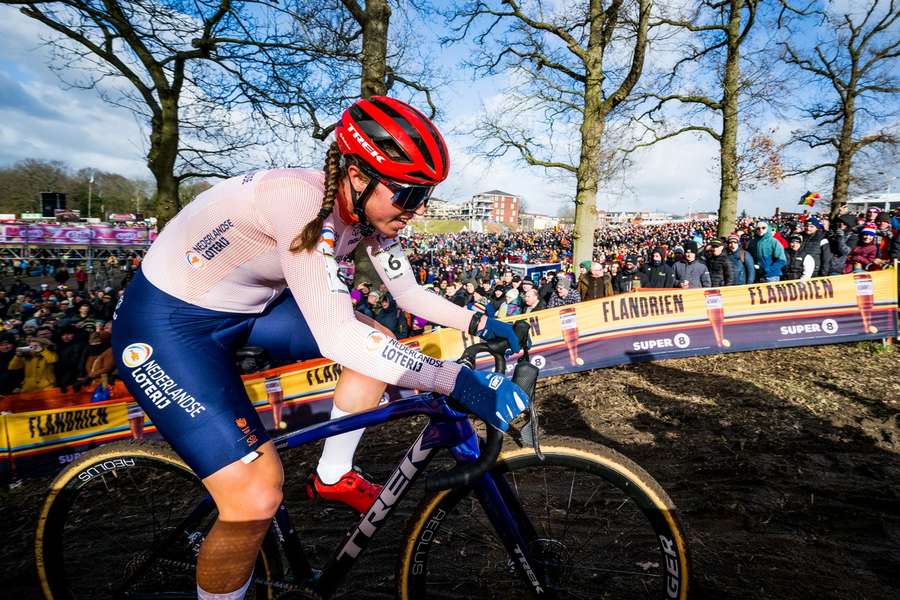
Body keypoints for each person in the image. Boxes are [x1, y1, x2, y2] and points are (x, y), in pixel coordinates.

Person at [110, 96, 528, 600]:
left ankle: (333, 474)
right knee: (255, 495)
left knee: (380, 340)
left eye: (426, 196)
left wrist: (481, 319)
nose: (416, 211)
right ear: (357, 176)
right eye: (409, 194)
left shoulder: (372, 213)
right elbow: (336, 337)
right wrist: (452, 377)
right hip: (170, 323)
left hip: (253, 310)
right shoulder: (301, 203)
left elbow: (409, 294)